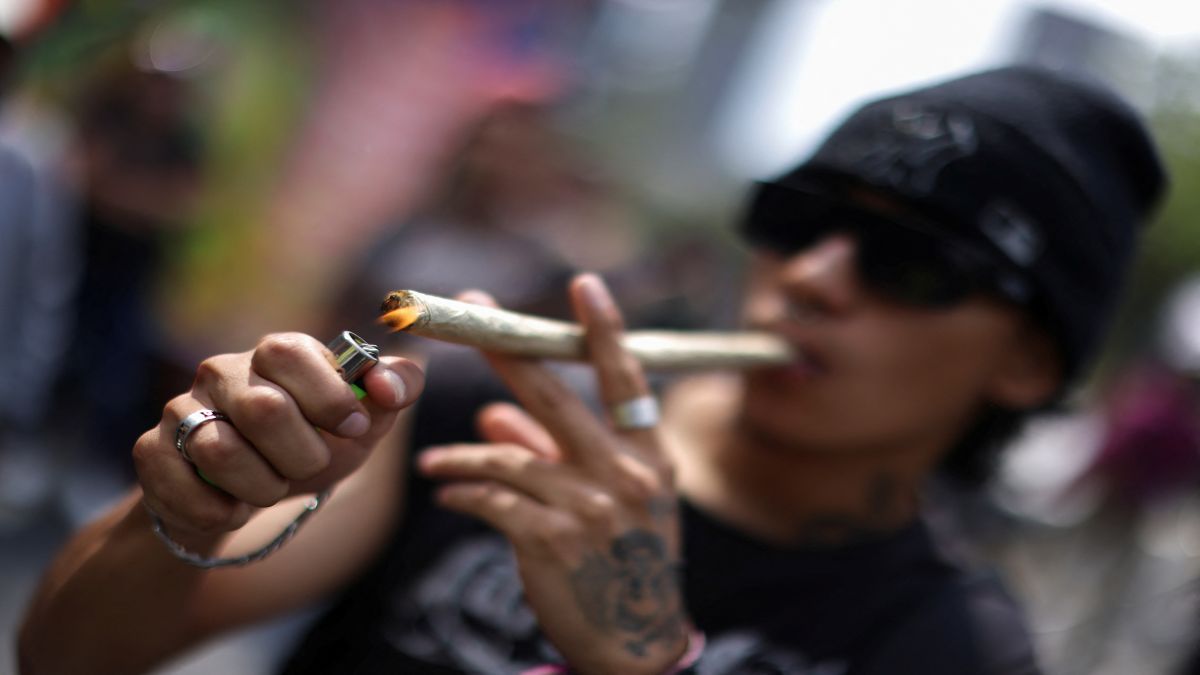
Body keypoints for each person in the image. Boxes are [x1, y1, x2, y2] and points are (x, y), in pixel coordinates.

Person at [19, 65, 1166, 675]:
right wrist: (185, 510)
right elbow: (65, 656)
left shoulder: (948, 646)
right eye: (797, 218)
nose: (815, 277)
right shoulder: (478, 418)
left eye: (912, 263)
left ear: (1028, 363)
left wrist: (645, 665)